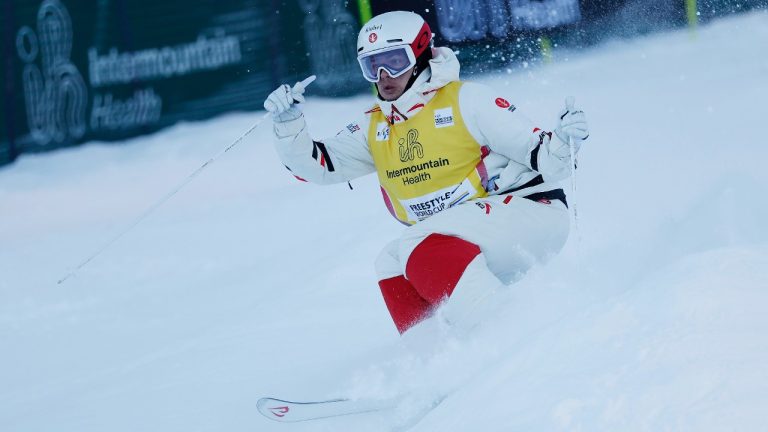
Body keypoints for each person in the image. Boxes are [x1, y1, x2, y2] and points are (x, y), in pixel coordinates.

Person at [264, 11, 589, 336]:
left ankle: (502, 332)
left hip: (531, 210)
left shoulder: (467, 99)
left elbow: (547, 159)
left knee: (419, 243)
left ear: (421, 56)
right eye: (371, 65)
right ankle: (428, 357)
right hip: (467, 233)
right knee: (391, 261)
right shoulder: (375, 124)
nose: (383, 75)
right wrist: (288, 123)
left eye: (394, 60)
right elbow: (319, 166)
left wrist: (564, 140)